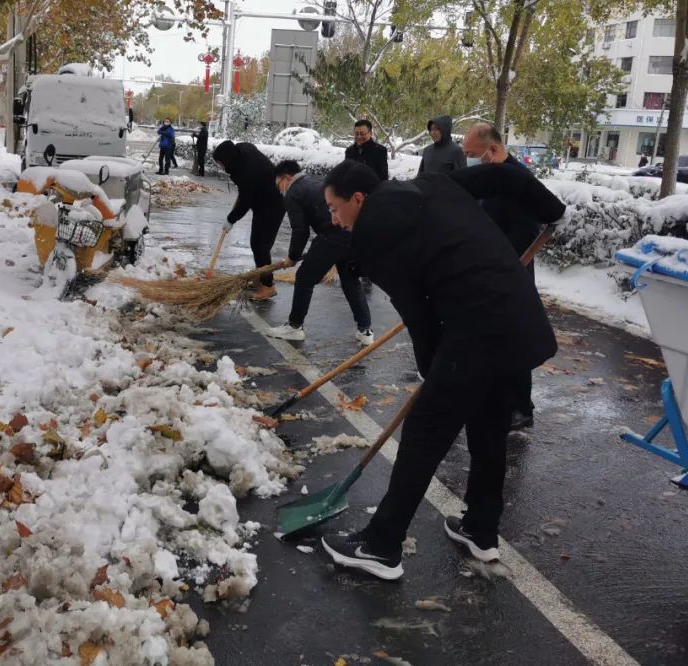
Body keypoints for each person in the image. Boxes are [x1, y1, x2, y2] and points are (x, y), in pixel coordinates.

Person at [318, 160, 565, 581]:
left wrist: (435, 373)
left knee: (425, 430)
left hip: (478, 328)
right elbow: (502, 174)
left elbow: (420, 316)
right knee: (489, 427)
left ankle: (381, 546)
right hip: (519, 317)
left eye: (334, 208)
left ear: (358, 199)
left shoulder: (373, 236)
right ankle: (481, 530)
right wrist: (551, 207)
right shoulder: (432, 183)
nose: (333, 219)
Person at [461, 122, 543, 430]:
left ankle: (522, 408)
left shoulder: (516, 179)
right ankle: (495, 398)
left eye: (472, 154)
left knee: (512, 338)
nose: (468, 160)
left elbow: (526, 231)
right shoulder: (490, 175)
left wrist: (495, 257)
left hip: (512, 269)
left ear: (492, 150)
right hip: (488, 266)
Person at [264, 160, 374, 346]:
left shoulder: (292, 193)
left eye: (278, 185)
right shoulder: (312, 181)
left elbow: (300, 230)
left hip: (331, 234)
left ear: (287, 178)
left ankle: (294, 326)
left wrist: (292, 257)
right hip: (350, 233)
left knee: (305, 278)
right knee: (349, 280)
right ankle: (365, 330)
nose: (279, 190)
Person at [211, 140, 285, 300]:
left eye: (220, 163)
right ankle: (260, 276)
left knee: (261, 246)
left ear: (227, 159)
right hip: (263, 200)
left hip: (273, 204)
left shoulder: (245, 171)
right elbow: (247, 191)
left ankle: (268, 286)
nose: (220, 167)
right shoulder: (243, 150)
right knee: (256, 243)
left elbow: (246, 200)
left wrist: (231, 219)